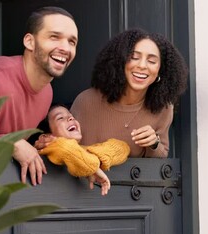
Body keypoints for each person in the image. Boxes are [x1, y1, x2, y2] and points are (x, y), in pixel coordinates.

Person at [0, 6, 78, 186]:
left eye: (72, 42)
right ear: (30, 42)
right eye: (54, 37)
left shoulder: (47, 93)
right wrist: (11, 143)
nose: (65, 48)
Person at [70, 28, 188, 158]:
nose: (142, 65)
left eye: (152, 61)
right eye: (134, 57)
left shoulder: (163, 108)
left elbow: (162, 156)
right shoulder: (86, 101)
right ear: (120, 61)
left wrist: (153, 143)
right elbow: (66, 150)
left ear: (161, 70)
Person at [38, 104, 130, 196]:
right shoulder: (44, 151)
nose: (70, 118)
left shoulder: (85, 150)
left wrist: (95, 159)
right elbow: (64, 147)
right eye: (60, 118)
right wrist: (92, 166)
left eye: (71, 116)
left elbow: (123, 147)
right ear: (45, 136)